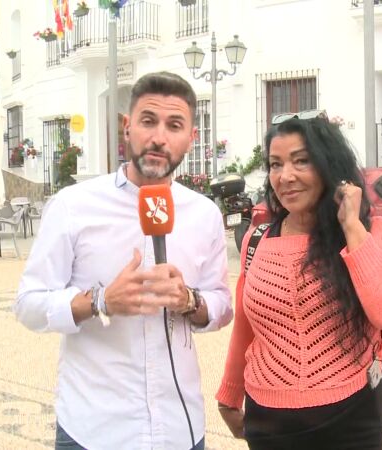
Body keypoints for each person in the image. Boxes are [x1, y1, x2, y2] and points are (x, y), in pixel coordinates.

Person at [15, 71, 233, 450]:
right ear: (127, 127)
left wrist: (189, 300)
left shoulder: (204, 215)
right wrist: (99, 301)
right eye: (148, 121)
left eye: (174, 125)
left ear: (191, 137)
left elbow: (221, 305)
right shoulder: (73, 206)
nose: (159, 137)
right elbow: (28, 304)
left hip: (179, 429)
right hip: (93, 429)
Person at [215, 112, 382, 449]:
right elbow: (247, 324)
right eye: (275, 165)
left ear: (329, 166)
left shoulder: (374, 233)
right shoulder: (257, 240)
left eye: (301, 161)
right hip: (269, 421)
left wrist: (351, 226)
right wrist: (230, 395)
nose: (285, 176)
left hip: (352, 417)